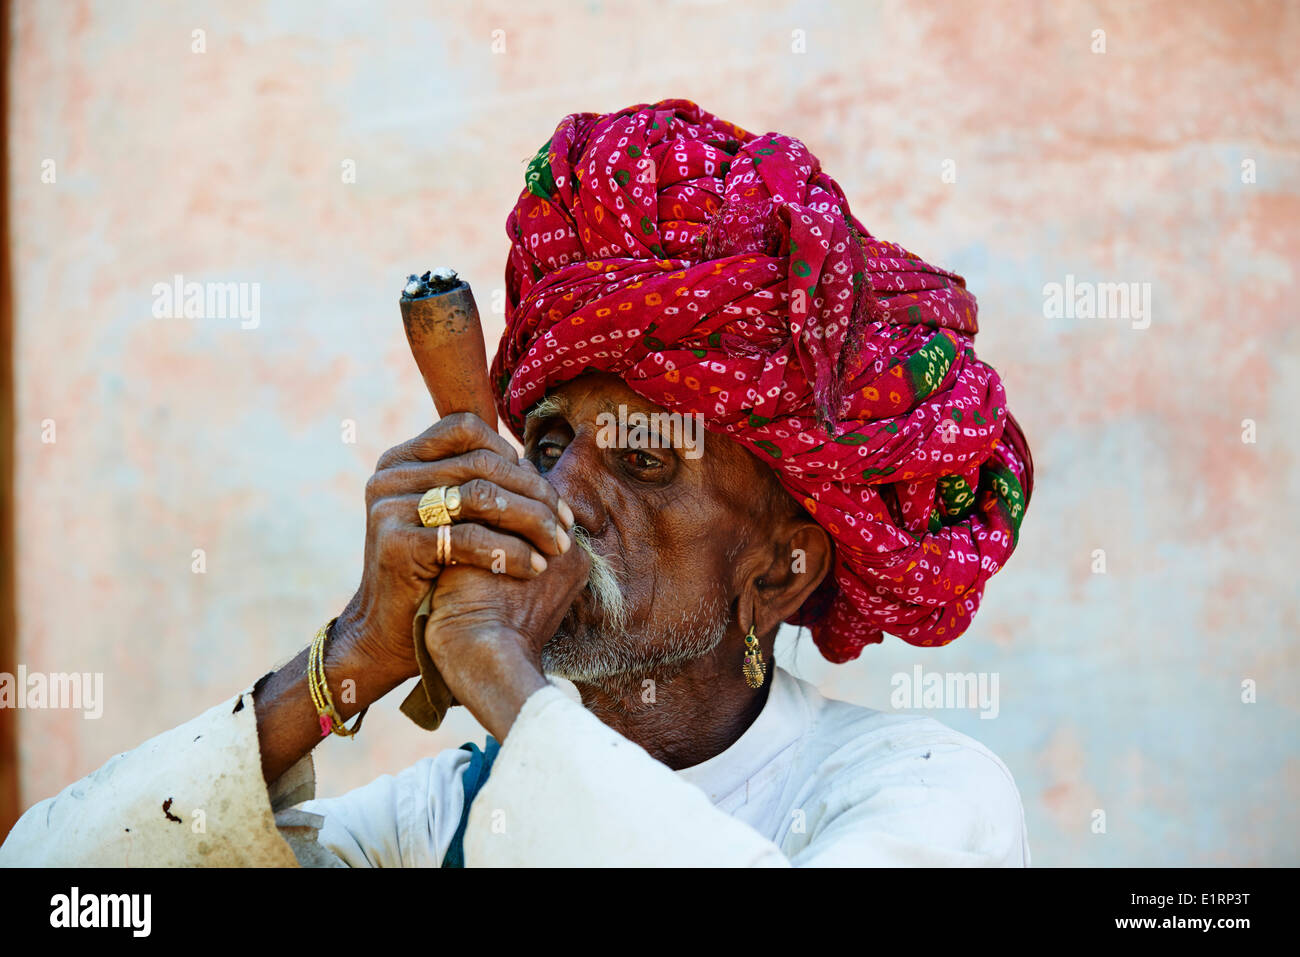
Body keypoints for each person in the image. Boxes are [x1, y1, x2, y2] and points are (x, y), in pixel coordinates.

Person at [0, 98, 1033, 867]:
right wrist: (356, 654)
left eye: (640, 461)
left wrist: (497, 671)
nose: (561, 498)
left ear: (781, 567)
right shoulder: (434, 822)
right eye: (544, 444)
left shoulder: (915, 793)